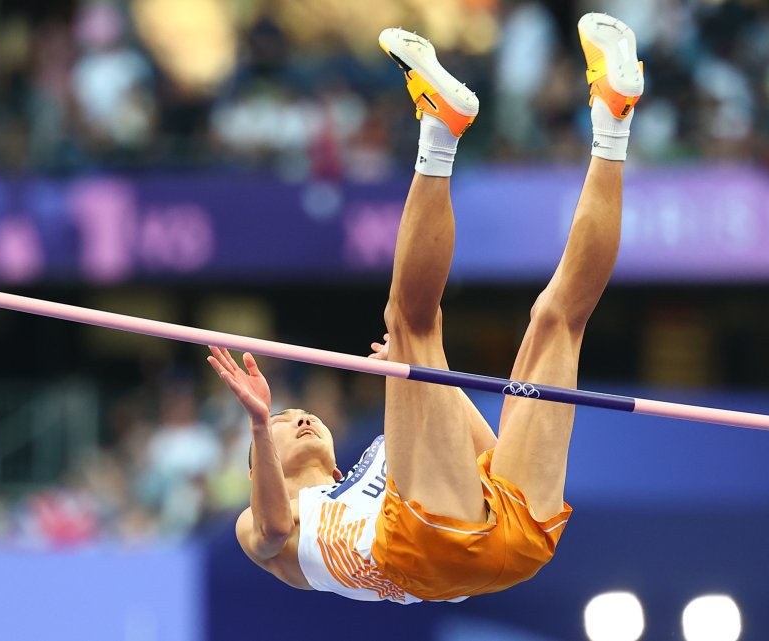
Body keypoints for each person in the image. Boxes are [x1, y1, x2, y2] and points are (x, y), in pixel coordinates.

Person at [206, 13, 643, 604]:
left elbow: (493, 462)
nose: (298, 418)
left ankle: (611, 117)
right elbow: (272, 530)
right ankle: (439, 130)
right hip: (445, 545)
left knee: (558, 316)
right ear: (264, 469)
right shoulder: (274, 524)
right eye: (287, 425)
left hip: (498, 534)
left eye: (295, 414)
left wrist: (426, 376)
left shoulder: (387, 458)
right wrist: (260, 420)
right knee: (411, 322)